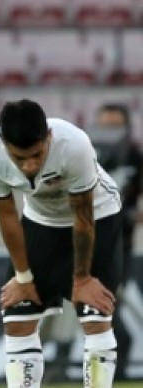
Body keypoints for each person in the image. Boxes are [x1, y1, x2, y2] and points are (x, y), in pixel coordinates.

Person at [0, 99, 122, 388]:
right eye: (19, 158)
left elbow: (83, 214)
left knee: (95, 315)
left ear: (49, 138)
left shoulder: (73, 143)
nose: (29, 166)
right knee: (17, 318)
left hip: (99, 216)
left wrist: (82, 279)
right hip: (40, 221)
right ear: (4, 144)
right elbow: (7, 217)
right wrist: (22, 277)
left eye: (37, 155)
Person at [89, 103, 142, 380]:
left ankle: (116, 364)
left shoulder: (135, 156)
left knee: (106, 305)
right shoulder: (83, 155)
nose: (109, 132)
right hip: (79, 242)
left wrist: (132, 214)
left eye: (115, 126)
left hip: (118, 247)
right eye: (105, 125)